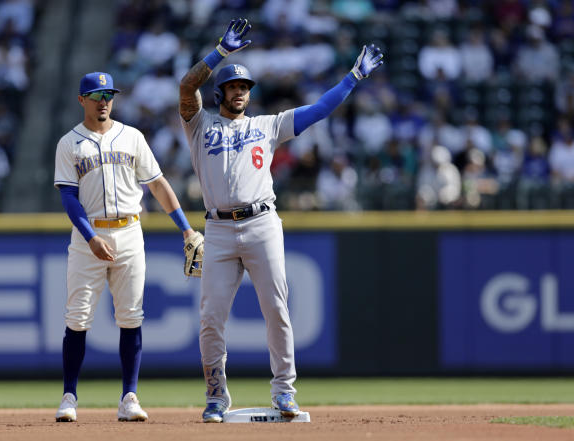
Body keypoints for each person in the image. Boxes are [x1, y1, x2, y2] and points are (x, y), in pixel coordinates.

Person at [178, 18, 384, 423]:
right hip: (217, 228)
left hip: (261, 223)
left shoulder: (266, 126)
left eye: (245, 88)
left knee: (277, 308)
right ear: (219, 92)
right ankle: (217, 396)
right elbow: (187, 87)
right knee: (210, 318)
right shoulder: (199, 124)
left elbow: (319, 110)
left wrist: (353, 77)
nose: (240, 93)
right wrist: (220, 54)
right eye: (234, 87)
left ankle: (284, 391)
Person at [53, 72, 201, 422]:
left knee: (132, 316)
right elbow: (69, 197)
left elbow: (158, 184)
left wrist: (186, 228)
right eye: (96, 94)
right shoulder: (69, 143)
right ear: (82, 100)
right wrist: (91, 237)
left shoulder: (132, 137)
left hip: (130, 232)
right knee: (77, 318)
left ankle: (129, 397)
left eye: (109, 94)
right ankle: (69, 396)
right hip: (89, 235)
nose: (104, 100)